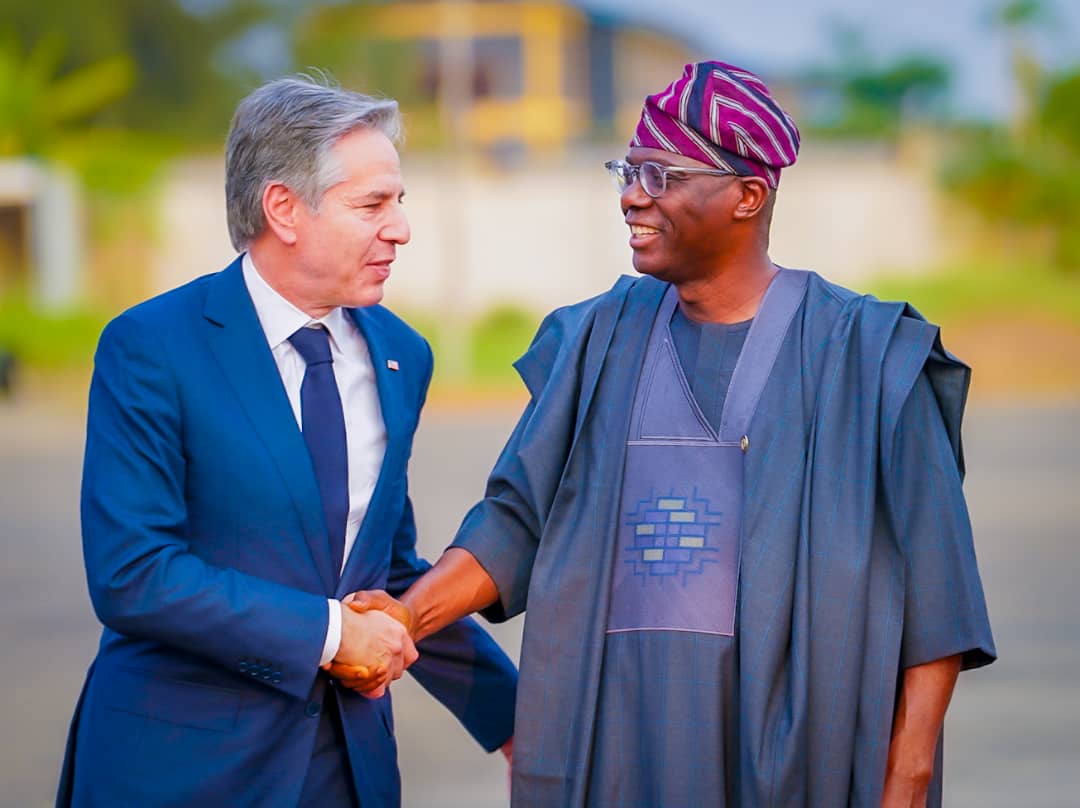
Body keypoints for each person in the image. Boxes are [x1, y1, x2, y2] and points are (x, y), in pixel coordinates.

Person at [334, 61, 996, 807]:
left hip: (802, 753)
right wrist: (405, 616)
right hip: (617, 743)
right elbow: (514, 524)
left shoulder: (867, 355)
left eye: (660, 174)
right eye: (627, 169)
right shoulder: (595, 341)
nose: (630, 195)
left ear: (748, 195)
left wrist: (906, 774)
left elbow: (936, 588)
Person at [57, 75, 517, 808]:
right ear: (283, 208)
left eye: (399, 202)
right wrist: (331, 634)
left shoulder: (402, 354)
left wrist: (512, 717)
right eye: (372, 204)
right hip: (178, 769)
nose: (399, 227)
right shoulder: (152, 347)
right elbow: (133, 573)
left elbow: (386, 571)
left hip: (346, 770)